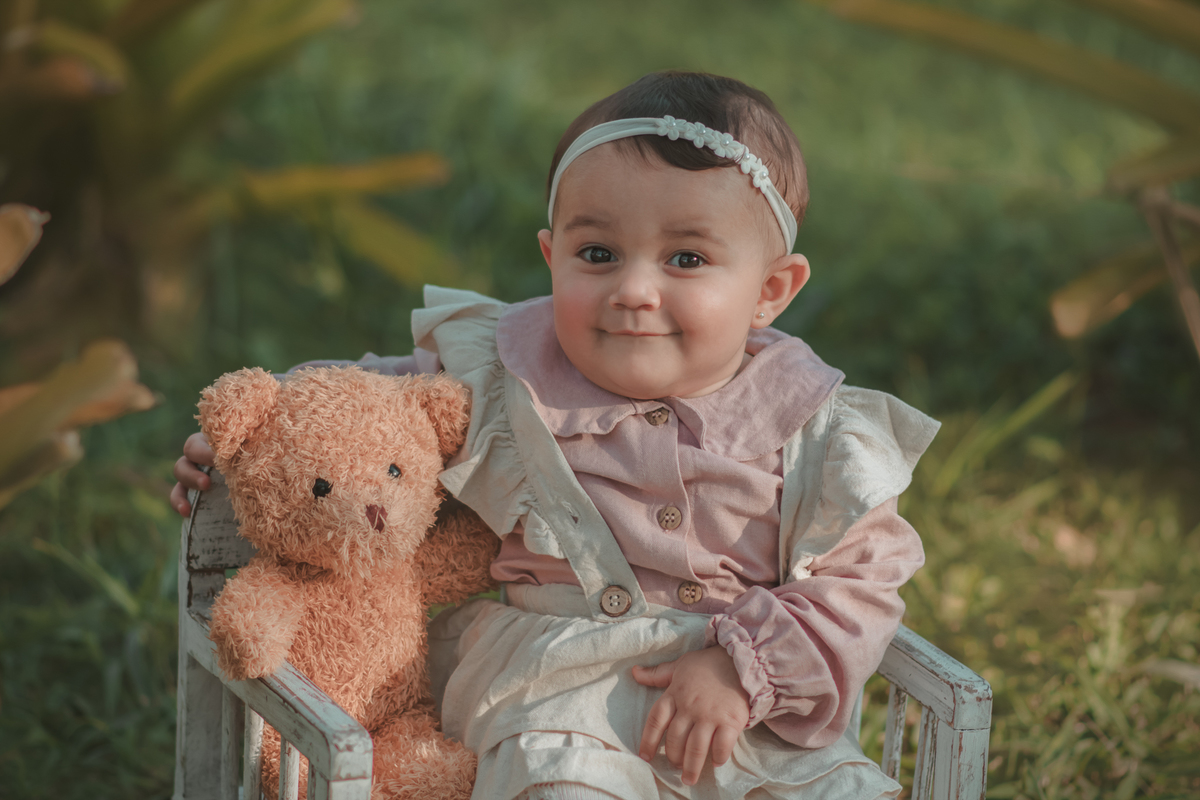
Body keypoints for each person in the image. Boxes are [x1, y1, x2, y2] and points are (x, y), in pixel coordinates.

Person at [172, 71, 939, 800]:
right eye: (597, 255)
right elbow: (371, 397)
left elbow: (861, 582)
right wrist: (265, 428)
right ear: (553, 256)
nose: (634, 290)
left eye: (687, 259)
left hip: (747, 720)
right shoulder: (513, 373)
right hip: (557, 692)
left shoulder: (814, 429)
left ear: (770, 291)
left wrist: (744, 674)